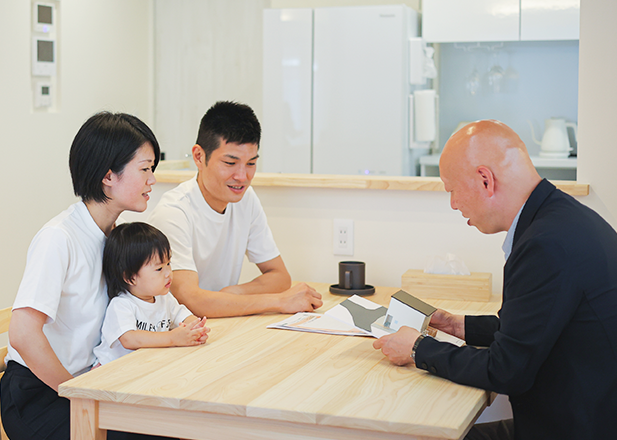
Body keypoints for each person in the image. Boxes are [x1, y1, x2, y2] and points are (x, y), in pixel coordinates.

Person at [373, 120, 617, 439]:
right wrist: (459, 325)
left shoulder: (545, 245)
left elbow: (506, 370)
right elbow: (533, 327)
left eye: (452, 190)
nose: (454, 204)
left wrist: (418, 349)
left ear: (485, 180)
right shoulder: (565, 220)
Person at [1, 112, 173, 440]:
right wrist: (77, 393)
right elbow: (22, 334)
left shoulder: (117, 238)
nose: (153, 180)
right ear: (109, 176)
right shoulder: (59, 237)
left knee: (171, 421)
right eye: (145, 169)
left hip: (92, 383)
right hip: (40, 395)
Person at [148, 101, 322, 318]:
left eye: (251, 163)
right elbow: (190, 300)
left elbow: (279, 276)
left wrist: (234, 292)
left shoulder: (246, 200)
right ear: (199, 157)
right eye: (230, 163)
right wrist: (279, 301)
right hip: (178, 334)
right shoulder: (174, 213)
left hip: (220, 325)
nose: (242, 177)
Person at [93, 222, 209, 366]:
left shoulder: (164, 298)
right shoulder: (122, 305)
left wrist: (195, 329)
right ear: (130, 277)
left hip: (145, 366)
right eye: (159, 269)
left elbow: (184, 317)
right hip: (110, 371)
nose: (168, 273)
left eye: (169, 263)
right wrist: (173, 338)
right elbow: (129, 339)